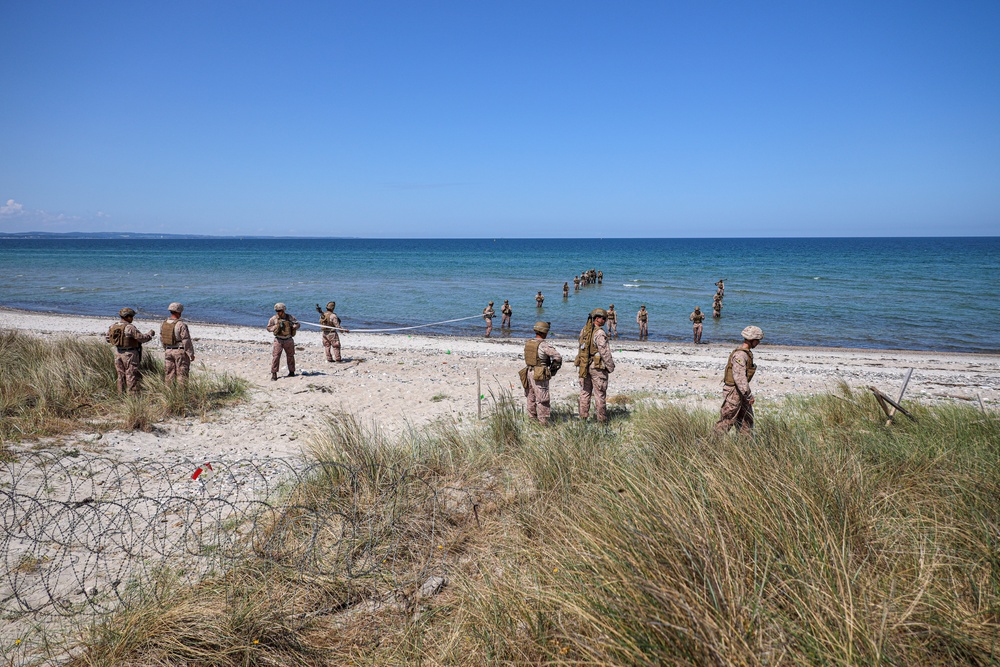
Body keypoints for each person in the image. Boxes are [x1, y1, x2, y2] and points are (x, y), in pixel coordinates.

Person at [713, 326, 763, 435]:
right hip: (734, 392)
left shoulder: (745, 353)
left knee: (746, 421)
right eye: (757, 340)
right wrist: (748, 395)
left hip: (740, 392)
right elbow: (739, 378)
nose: (758, 343)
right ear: (752, 340)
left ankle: (744, 447)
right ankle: (709, 445)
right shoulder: (741, 355)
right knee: (727, 421)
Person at [574, 308, 615, 423]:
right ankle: (601, 420)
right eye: (604, 318)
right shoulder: (600, 333)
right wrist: (610, 367)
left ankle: (583, 418)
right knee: (599, 394)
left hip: (584, 365)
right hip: (597, 368)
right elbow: (604, 352)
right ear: (597, 318)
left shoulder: (584, 330)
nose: (605, 320)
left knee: (585, 393)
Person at [520, 321, 563, 425]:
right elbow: (557, 357)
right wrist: (552, 369)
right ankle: (543, 422)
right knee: (542, 398)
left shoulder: (529, 342)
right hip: (539, 372)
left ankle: (532, 419)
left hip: (528, 371)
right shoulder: (544, 345)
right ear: (545, 332)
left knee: (531, 397)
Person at [106, 307, 155, 394]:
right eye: (132, 317)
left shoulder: (113, 326)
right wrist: (150, 334)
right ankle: (132, 397)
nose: (132, 319)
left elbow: (108, 339)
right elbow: (141, 338)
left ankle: (120, 394)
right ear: (128, 317)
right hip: (130, 354)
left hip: (118, 353)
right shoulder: (130, 327)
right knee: (131, 375)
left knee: (120, 375)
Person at [161, 302, 195, 385]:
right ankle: (182, 395)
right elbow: (186, 340)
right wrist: (191, 353)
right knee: (182, 375)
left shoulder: (164, 324)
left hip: (168, 351)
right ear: (179, 311)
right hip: (179, 351)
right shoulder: (181, 325)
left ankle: (169, 394)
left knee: (169, 374)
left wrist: (166, 349)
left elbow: (162, 338)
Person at [267, 303, 300, 380]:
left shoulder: (290, 317)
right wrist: (275, 327)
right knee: (276, 356)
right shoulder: (273, 318)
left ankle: (292, 372)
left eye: (280, 311)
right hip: (278, 340)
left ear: (284, 310)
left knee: (290, 356)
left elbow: (298, 324)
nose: (279, 312)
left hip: (288, 339)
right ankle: (274, 373)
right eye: (277, 311)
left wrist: (295, 326)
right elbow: (268, 328)